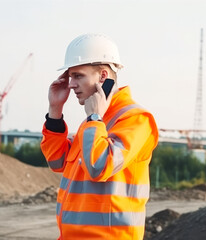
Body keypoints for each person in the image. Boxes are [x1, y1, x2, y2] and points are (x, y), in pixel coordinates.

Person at [40, 33, 159, 240]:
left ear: (103, 76)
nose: (70, 84)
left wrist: (94, 117)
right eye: (70, 76)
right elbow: (56, 161)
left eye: (78, 76)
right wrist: (55, 110)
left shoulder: (135, 119)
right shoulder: (95, 121)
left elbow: (99, 166)